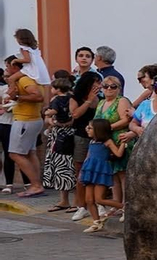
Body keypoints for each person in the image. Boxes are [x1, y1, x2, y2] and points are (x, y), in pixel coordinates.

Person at [2, 55, 45, 197]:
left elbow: (38, 96)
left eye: (7, 66)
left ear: (15, 67)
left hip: (25, 121)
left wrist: (17, 98)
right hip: (31, 119)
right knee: (30, 153)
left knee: (15, 154)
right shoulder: (31, 78)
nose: (6, 69)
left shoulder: (24, 79)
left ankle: (36, 185)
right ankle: (36, 184)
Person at [66, 46, 101, 221]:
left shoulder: (98, 83)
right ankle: (81, 205)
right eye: (81, 55)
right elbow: (75, 113)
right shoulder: (75, 89)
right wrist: (87, 100)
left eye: (88, 56)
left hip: (97, 133)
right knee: (80, 169)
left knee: (98, 169)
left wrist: (93, 99)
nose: (84, 58)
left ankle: (98, 203)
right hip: (81, 132)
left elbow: (98, 106)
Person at [93, 72, 134, 216]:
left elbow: (125, 119)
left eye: (113, 86)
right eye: (106, 86)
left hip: (119, 138)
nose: (109, 89)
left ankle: (126, 205)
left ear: (119, 88)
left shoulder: (121, 101)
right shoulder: (101, 103)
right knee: (113, 174)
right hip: (105, 140)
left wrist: (108, 128)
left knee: (123, 173)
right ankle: (116, 204)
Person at [78, 117, 125, 233]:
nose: (87, 129)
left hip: (101, 171)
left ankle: (124, 207)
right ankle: (96, 222)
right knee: (89, 200)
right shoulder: (92, 142)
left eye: (90, 128)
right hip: (90, 171)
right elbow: (88, 157)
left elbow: (118, 154)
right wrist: (82, 171)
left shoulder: (107, 142)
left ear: (98, 130)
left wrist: (123, 143)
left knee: (99, 199)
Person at [42, 76, 76, 210]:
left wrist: (48, 115)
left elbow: (51, 114)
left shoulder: (56, 100)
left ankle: (71, 201)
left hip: (60, 135)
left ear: (57, 89)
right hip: (65, 132)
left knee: (63, 165)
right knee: (63, 166)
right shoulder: (71, 98)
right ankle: (64, 200)